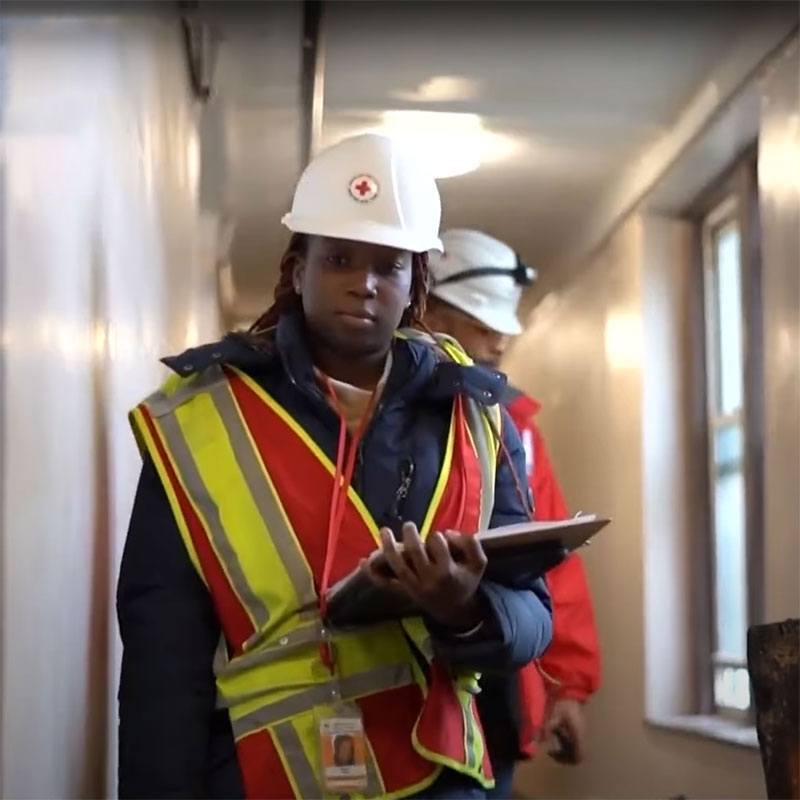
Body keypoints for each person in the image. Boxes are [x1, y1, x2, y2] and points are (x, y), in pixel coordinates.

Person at [116, 133, 567, 800]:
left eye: (389, 265)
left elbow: (533, 618)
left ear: (415, 281)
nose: (364, 283)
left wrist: (463, 610)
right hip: (267, 777)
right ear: (299, 270)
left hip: (440, 780)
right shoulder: (203, 419)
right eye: (340, 259)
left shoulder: (473, 411)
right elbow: (162, 665)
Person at [424, 229, 602, 799]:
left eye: (503, 325)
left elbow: (552, 564)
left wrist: (567, 687)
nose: (498, 341)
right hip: (399, 698)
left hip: (496, 706)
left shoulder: (515, 427)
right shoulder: (365, 417)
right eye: (481, 323)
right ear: (425, 310)